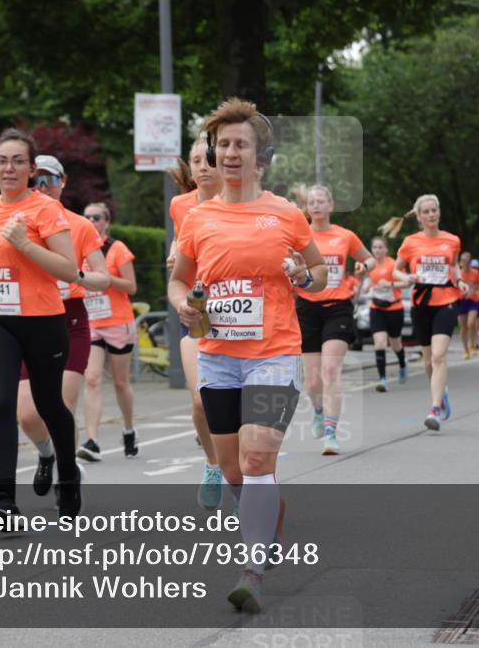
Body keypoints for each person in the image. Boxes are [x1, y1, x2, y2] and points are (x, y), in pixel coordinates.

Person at [168, 98, 326, 614]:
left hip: (274, 354)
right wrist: (182, 308)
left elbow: (318, 272)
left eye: (241, 145)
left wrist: (304, 277)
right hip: (218, 357)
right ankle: (264, 526)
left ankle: (251, 571)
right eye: (224, 145)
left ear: (259, 156)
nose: (230, 154)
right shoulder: (198, 218)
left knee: (259, 459)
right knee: (234, 470)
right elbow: (179, 281)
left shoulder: (284, 213)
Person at [0, 128, 81, 519]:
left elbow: (70, 270)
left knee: (48, 404)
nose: (9, 168)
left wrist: (26, 244)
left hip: (42, 320)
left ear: (31, 168)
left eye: (18, 161)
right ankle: (5, 501)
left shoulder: (46, 210)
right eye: (2, 161)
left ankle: (69, 477)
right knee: (3, 404)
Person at [18, 155, 111, 497]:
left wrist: (78, 275)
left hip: (69, 318)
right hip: (30, 320)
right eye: (36, 181)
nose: (42, 187)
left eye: (49, 180)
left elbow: (102, 277)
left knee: (61, 406)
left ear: (63, 182)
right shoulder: (17, 222)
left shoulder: (80, 225)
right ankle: (47, 456)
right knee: (27, 415)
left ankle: (66, 479)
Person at [167, 136, 225, 509]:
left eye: (209, 159)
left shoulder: (239, 203)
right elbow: (179, 246)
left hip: (238, 312)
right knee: (201, 403)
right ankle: (214, 465)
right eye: (196, 160)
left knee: (238, 405)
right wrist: (175, 255)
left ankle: (246, 473)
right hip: (197, 310)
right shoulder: (180, 205)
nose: (202, 166)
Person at [295, 184, 375, 455]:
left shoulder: (345, 236)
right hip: (306, 308)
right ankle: (317, 411)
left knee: (330, 371)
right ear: (307, 208)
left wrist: (365, 266)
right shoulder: (299, 236)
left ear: (331, 206)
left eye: (321, 201)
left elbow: (371, 260)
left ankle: (331, 432)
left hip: (337, 307)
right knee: (313, 381)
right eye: (312, 202)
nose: (316, 205)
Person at [384, 194, 460, 430]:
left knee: (438, 356)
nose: (431, 215)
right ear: (418, 216)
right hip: (421, 304)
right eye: (426, 211)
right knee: (429, 361)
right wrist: (406, 277)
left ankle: (434, 409)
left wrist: (461, 281)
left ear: (439, 212)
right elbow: (396, 271)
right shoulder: (410, 242)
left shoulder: (452, 240)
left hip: (446, 301)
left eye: (434, 210)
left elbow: (454, 266)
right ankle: (441, 393)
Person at [79, 202, 139, 461]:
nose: (92, 221)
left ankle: (128, 429)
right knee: (91, 379)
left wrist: (104, 277)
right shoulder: (79, 248)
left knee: (120, 382)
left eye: (97, 217)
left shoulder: (117, 249)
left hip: (117, 321)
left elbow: (131, 287)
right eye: (87, 217)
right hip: (91, 321)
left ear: (107, 221)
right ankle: (92, 440)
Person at [366, 236, 409, 391]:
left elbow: (406, 282)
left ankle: (403, 364)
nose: (377, 250)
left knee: (396, 342)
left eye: (380, 247)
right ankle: (382, 379)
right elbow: (369, 281)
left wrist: (390, 284)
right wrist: (367, 287)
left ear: (386, 249)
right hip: (376, 308)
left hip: (394, 308)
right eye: (374, 247)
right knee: (379, 342)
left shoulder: (393, 265)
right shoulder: (369, 266)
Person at [457, 254, 479, 359]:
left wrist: (471, 291)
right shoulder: (458, 273)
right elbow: (454, 285)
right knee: (463, 327)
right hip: (461, 301)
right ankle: (465, 350)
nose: (466, 264)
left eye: (468, 261)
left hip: (472, 301)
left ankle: (472, 345)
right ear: (461, 262)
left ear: (470, 262)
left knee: (471, 323)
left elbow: (477, 286)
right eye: (464, 261)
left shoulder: (475, 273)